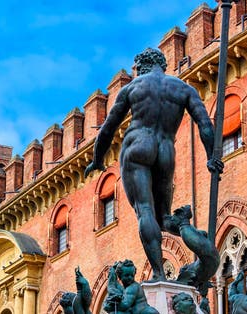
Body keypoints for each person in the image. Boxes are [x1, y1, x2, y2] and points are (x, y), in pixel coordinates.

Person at [85, 48, 223, 281]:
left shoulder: (133, 87)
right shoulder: (183, 89)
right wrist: (212, 157)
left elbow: (108, 128)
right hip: (166, 152)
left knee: (145, 211)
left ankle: (159, 274)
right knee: (164, 218)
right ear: (163, 65)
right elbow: (205, 124)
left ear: (140, 67)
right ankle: (183, 227)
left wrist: (97, 160)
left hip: (137, 147)